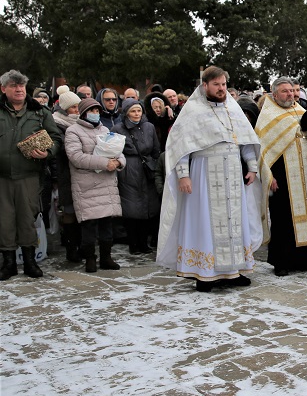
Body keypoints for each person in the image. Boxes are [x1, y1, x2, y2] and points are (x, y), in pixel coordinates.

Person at [157, 66, 262, 292]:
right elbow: (181, 147)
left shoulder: (232, 109)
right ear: (205, 86)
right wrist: (183, 175)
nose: (221, 89)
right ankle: (205, 273)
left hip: (232, 173)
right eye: (216, 85)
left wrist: (252, 167)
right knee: (205, 223)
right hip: (204, 173)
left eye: (224, 84)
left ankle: (234, 270)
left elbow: (244, 141)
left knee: (235, 223)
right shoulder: (192, 111)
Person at [256, 77, 307, 276]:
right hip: (281, 175)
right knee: (283, 218)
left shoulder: (301, 111)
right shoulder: (268, 116)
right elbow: (262, 151)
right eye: (285, 91)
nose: (290, 95)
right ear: (274, 94)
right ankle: (282, 261)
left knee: (306, 214)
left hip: (304, 174)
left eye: (292, 91)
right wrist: (268, 177)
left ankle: (305, 258)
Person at [0, 70, 62, 280]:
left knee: (27, 219)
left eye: (21, 86)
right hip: (1, 177)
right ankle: (8, 263)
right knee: (4, 220)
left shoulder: (39, 112)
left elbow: (56, 137)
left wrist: (47, 152)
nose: (18, 89)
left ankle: (29, 261)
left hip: (29, 176)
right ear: (3, 89)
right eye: (13, 86)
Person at [65, 98, 127, 272]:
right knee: (89, 225)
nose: (95, 114)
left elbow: (118, 151)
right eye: (92, 111)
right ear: (84, 113)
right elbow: (76, 157)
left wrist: (119, 163)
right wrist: (103, 163)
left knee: (107, 224)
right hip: (87, 185)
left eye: (97, 110)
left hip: (106, 182)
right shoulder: (73, 131)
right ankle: (90, 259)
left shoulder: (105, 129)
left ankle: (106, 257)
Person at [113, 98, 162, 255]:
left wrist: (154, 165)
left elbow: (156, 149)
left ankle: (144, 242)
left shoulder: (149, 127)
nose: (136, 114)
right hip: (129, 170)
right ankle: (133, 243)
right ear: (126, 113)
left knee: (148, 207)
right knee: (132, 208)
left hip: (147, 169)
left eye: (139, 110)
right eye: (133, 111)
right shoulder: (118, 129)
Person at [51, 87, 83, 262]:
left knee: (81, 211)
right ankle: (71, 248)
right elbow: (63, 150)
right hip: (66, 173)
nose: (77, 111)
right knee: (69, 211)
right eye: (73, 108)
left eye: (78, 107)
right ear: (64, 109)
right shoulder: (57, 124)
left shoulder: (81, 122)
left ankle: (81, 245)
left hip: (82, 173)